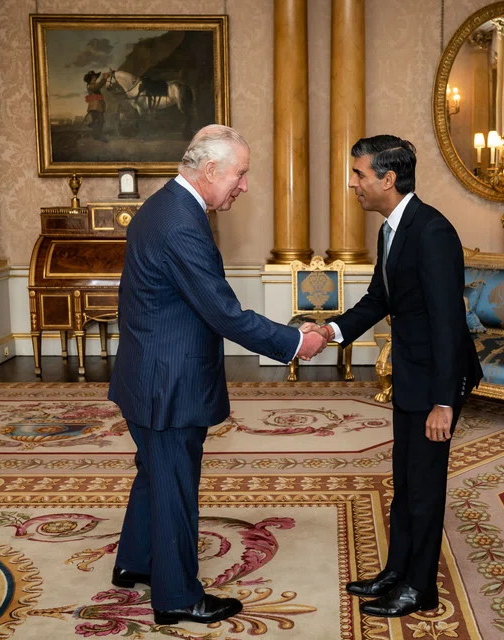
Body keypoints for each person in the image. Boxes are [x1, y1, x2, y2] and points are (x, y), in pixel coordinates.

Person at [108, 125, 327, 625]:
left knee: (154, 472)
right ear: (210, 171)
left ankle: (136, 562)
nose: (244, 185)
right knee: (174, 486)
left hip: (149, 371)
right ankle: (178, 598)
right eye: (241, 174)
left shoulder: (165, 204)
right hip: (168, 382)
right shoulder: (181, 222)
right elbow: (224, 313)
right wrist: (296, 341)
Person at [306, 135, 483, 618]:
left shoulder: (432, 232)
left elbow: (449, 322)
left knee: (425, 488)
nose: (353, 183)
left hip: (435, 384)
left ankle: (419, 588)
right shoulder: (391, 229)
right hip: (412, 375)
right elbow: (379, 299)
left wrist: (444, 402)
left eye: (360, 174)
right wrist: (331, 330)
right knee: (405, 482)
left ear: (388, 178)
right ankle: (397, 571)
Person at [84, 70, 111, 142]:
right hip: (95, 107)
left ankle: (96, 135)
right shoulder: (90, 86)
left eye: (95, 77)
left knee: (99, 121)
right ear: (90, 79)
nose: (95, 78)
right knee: (99, 121)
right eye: (93, 77)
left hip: (97, 107)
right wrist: (104, 78)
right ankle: (99, 136)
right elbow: (98, 86)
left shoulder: (92, 85)